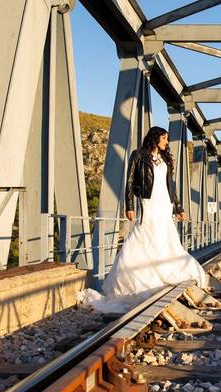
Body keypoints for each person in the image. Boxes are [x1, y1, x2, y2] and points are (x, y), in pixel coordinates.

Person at [82, 126, 208, 313]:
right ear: (155, 138)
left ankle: (164, 271)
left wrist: (178, 206)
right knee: (143, 234)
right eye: (164, 139)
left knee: (165, 237)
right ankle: (133, 281)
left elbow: (170, 186)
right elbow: (130, 182)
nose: (167, 142)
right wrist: (130, 206)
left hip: (164, 203)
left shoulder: (165, 158)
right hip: (148, 202)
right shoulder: (139, 155)